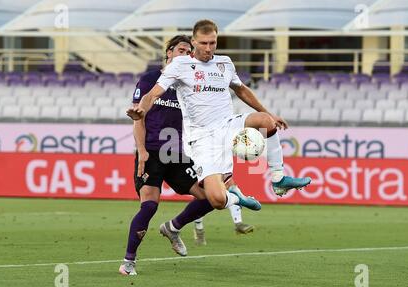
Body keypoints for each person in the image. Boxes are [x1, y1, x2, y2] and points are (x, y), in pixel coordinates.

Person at [127, 19, 311, 218]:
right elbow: (152, 94)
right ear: (194, 42)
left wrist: (269, 112)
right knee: (216, 199)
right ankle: (235, 198)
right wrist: (141, 110)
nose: (208, 48)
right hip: (202, 138)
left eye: (212, 43)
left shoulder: (224, 63)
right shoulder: (181, 65)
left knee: (266, 121)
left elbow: (241, 89)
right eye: (203, 43)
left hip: (227, 124)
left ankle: (278, 178)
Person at [119, 35, 259, 276]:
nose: (186, 54)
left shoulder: (190, 81)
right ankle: (128, 262)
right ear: (169, 53)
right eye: (181, 49)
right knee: (149, 207)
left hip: (180, 154)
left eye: (188, 50)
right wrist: (141, 151)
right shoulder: (152, 80)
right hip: (153, 152)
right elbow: (139, 117)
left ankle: (173, 227)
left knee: (210, 198)